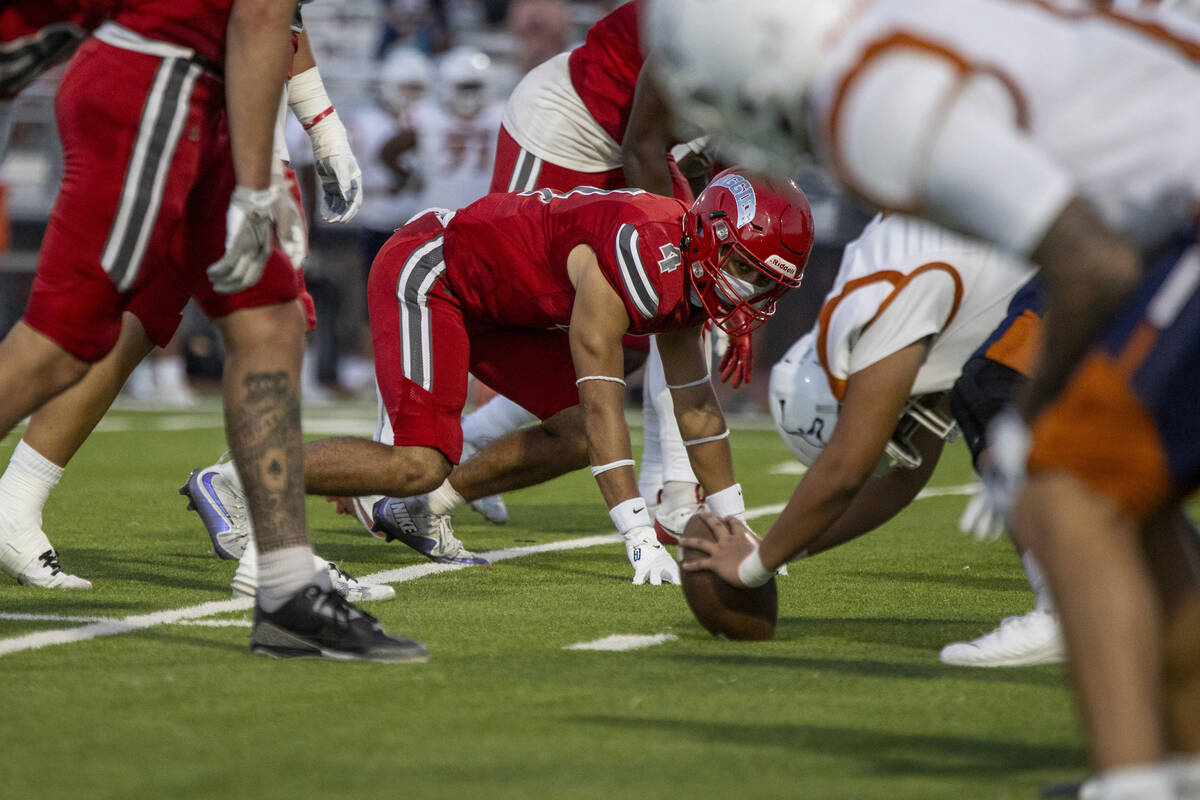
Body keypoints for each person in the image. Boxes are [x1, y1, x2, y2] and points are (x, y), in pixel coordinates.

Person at [653, 0, 1200, 794]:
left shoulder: (866, 96)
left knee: (1064, 490)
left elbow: (1091, 263)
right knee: (1125, 492)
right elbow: (893, 471)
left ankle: (1130, 783)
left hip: (1169, 216)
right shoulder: (910, 35)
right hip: (1164, 209)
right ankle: (1180, 767)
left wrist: (1024, 431)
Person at [0, 0, 423, 662]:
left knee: (273, 321)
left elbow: (274, 16)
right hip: (158, 85)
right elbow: (258, 14)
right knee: (60, 343)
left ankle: (282, 582)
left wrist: (320, 124)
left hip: (214, 93)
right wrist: (260, 188)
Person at [188, 168, 815, 585]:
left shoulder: (682, 265)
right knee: (417, 460)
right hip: (436, 272)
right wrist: (636, 532)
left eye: (764, 281)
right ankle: (235, 477)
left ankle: (422, 512)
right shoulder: (638, 255)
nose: (750, 289)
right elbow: (604, 406)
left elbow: (697, 407)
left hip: (496, 302)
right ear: (710, 236)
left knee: (567, 435)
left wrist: (734, 522)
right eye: (747, 268)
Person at [764, 212, 1061, 667]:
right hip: (1085, 239)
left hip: (1089, 247)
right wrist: (784, 549)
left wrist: (753, 565)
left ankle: (1060, 607)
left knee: (991, 391)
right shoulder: (878, 298)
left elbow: (848, 470)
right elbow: (908, 473)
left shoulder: (873, 310)